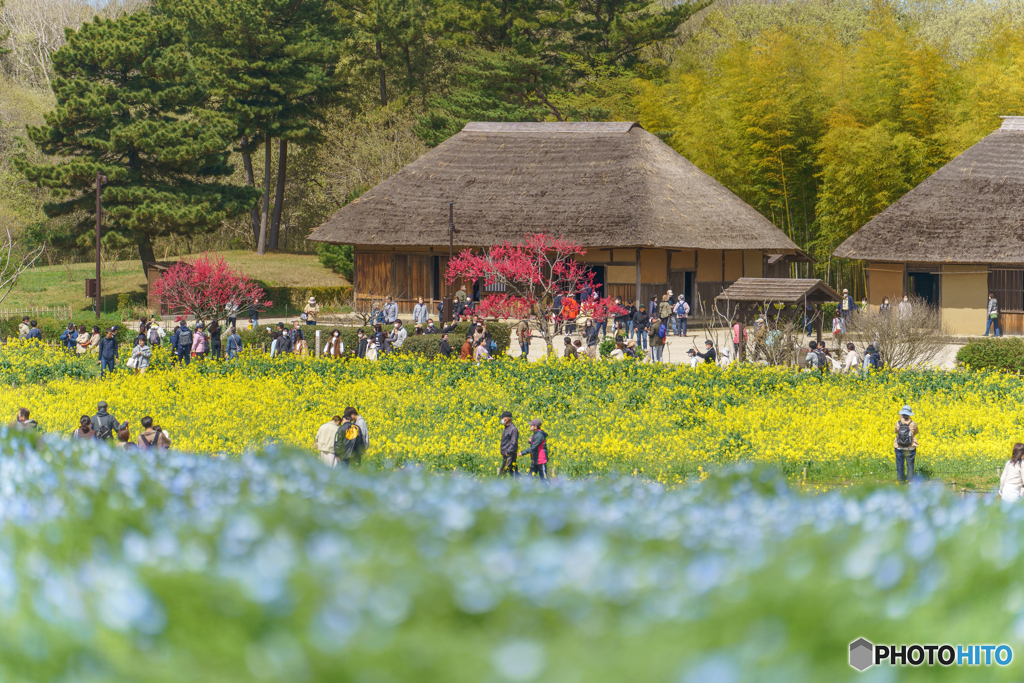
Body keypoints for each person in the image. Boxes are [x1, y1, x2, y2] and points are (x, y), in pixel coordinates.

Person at [893, 405, 918, 483]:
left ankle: (901, 480)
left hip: (899, 447)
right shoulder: (913, 423)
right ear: (910, 414)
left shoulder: (898, 423)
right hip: (910, 448)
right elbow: (916, 432)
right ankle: (910, 480)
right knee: (910, 464)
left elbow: (896, 431)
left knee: (900, 464)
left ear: (902, 414)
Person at [499, 411, 519, 476]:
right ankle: (521, 483)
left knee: (504, 470)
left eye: (503, 418)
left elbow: (514, 442)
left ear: (507, 419)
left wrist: (508, 452)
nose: (501, 419)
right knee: (514, 472)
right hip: (506, 453)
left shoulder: (513, 429)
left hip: (509, 454)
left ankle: (497, 485)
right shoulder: (506, 428)